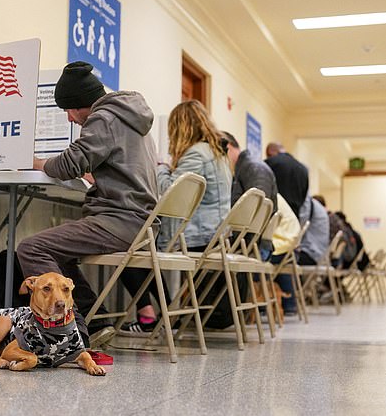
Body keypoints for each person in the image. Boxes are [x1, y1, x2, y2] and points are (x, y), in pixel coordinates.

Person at [18, 61, 158, 348]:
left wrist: (37, 163)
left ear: (83, 104)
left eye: (69, 109)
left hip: (121, 220)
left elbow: (70, 162)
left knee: (32, 247)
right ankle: (97, 322)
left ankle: (74, 332)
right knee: (60, 253)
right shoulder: (132, 118)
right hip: (139, 220)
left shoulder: (103, 118)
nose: (69, 118)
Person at [119, 100, 232, 335]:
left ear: (180, 127)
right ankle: (164, 312)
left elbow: (169, 192)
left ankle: (149, 316)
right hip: (215, 236)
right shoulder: (218, 154)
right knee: (142, 248)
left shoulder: (195, 154)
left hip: (196, 237)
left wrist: (160, 165)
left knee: (127, 248)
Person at [265, 142, 309, 219]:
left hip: (275, 215)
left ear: (271, 152)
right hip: (294, 217)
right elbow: (304, 195)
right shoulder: (303, 168)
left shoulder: (271, 162)